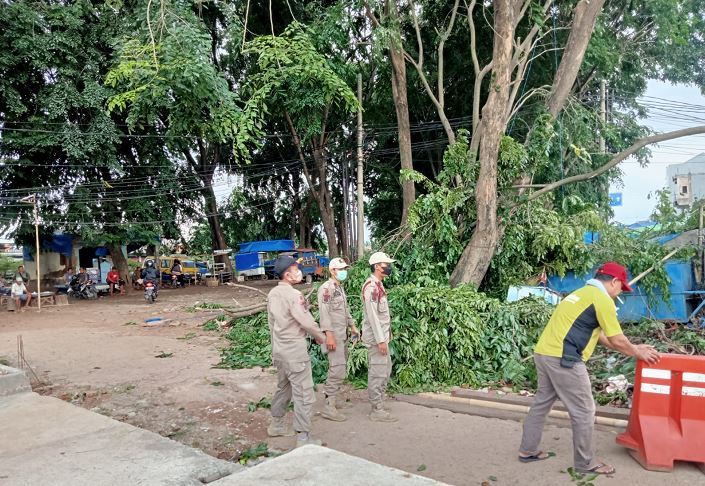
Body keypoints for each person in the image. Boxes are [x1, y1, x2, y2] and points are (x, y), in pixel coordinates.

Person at [518, 262, 660, 475]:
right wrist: (637, 351)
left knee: (542, 402)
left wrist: (633, 348)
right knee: (584, 411)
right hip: (564, 359)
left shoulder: (581, 294)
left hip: (544, 353)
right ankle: (585, 464)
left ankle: (527, 450)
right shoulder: (602, 300)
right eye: (621, 287)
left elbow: (602, 336)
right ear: (613, 282)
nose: (620, 292)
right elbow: (618, 339)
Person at [266, 255, 326, 447]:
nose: (298, 270)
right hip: (295, 352)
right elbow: (306, 321)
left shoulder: (273, 294)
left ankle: (276, 425)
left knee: (284, 388)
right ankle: (303, 437)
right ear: (287, 273)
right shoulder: (293, 295)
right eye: (295, 267)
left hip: (280, 351)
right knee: (303, 393)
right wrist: (321, 337)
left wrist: (276, 346)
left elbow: (271, 324)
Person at [317, 257, 360, 422]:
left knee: (339, 368)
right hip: (333, 336)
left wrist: (353, 326)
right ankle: (329, 406)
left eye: (345, 269)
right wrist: (329, 336)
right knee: (337, 369)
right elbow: (324, 314)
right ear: (332, 271)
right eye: (341, 269)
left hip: (342, 335)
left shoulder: (339, 288)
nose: (344, 272)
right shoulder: (326, 289)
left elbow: (345, 310)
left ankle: (334, 398)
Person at [362, 251, 398, 422]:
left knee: (385, 370)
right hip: (378, 340)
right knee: (378, 372)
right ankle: (376, 409)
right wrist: (381, 340)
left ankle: (380, 402)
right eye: (386, 264)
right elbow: (373, 317)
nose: (388, 267)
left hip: (382, 338)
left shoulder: (379, 285)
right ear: (377, 266)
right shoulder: (371, 287)